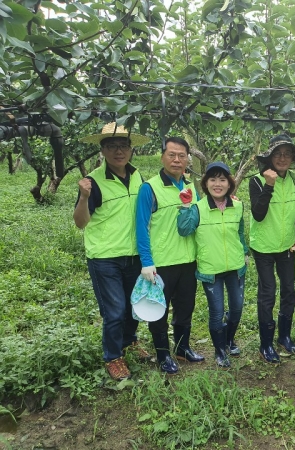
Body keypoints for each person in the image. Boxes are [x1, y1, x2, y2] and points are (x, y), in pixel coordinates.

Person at [74, 122, 151, 381]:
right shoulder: (93, 182)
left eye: (123, 146)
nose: (118, 151)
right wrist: (84, 197)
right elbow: (80, 222)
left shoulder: (139, 176)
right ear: (102, 150)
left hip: (134, 255)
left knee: (133, 306)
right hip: (104, 257)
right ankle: (112, 356)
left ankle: (130, 342)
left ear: (130, 150)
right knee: (114, 310)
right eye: (111, 146)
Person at [136, 136, 204, 375]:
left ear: (188, 159)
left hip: (187, 260)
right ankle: (163, 353)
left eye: (182, 155)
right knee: (159, 311)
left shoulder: (189, 186)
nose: (177, 160)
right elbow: (141, 227)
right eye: (172, 155)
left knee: (186, 307)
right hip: (161, 263)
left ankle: (182, 348)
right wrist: (147, 262)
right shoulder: (150, 188)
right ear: (162, 156)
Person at [177, 161, 248, 368]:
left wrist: (244, 252)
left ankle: (228, 340)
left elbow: (240, 232)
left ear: (230, 184)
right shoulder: (198, 208)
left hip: (235, 268)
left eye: (223, 179)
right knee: (216, 312)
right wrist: (185, 206)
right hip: (211, 270)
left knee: (236, 309)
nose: (218, 184)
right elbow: (184, 230)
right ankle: (219, 351)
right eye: (213, 179)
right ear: (206, 183)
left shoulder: (238, 206)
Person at [249, 134, 295, 363]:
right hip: (263, 245)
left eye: (287, 154)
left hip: (287, 246)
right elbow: (258, 214)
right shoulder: (256, 180)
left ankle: (284, 336)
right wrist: (269, 186)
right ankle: (265, 344)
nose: (282, 158)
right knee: (267, 293)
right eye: (277, 154)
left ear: (293, 157)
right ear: (270, 157)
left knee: (289, 291)